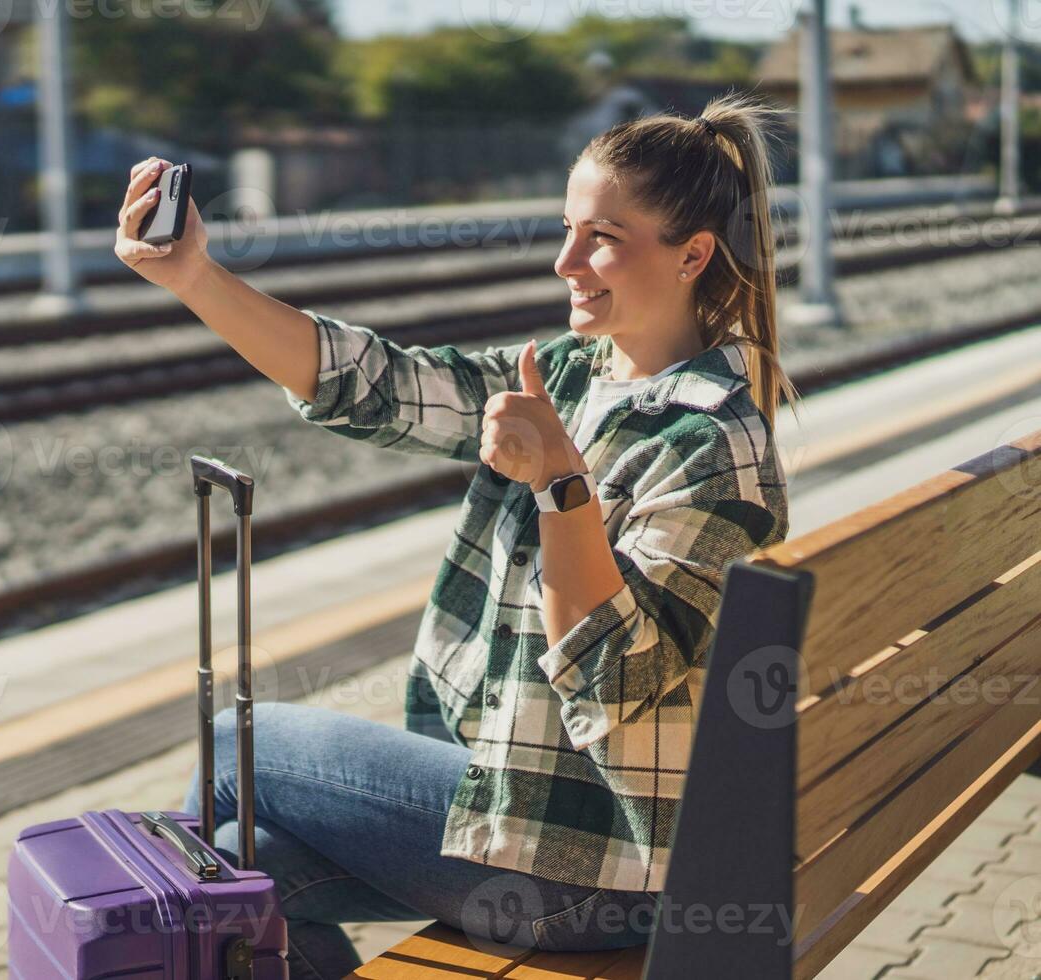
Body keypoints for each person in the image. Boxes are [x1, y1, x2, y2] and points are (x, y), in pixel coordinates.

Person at [114, 92, 802, 980]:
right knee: (250, 862)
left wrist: (563, 487)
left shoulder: (715, 446)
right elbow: (379, 385)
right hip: (520, 803)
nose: (565, 261)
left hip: (602, 860)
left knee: (236, 745)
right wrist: (195, 279)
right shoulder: (568, 372)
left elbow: (615, 675)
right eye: (566, 228)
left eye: (603, 237)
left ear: (693, 255)